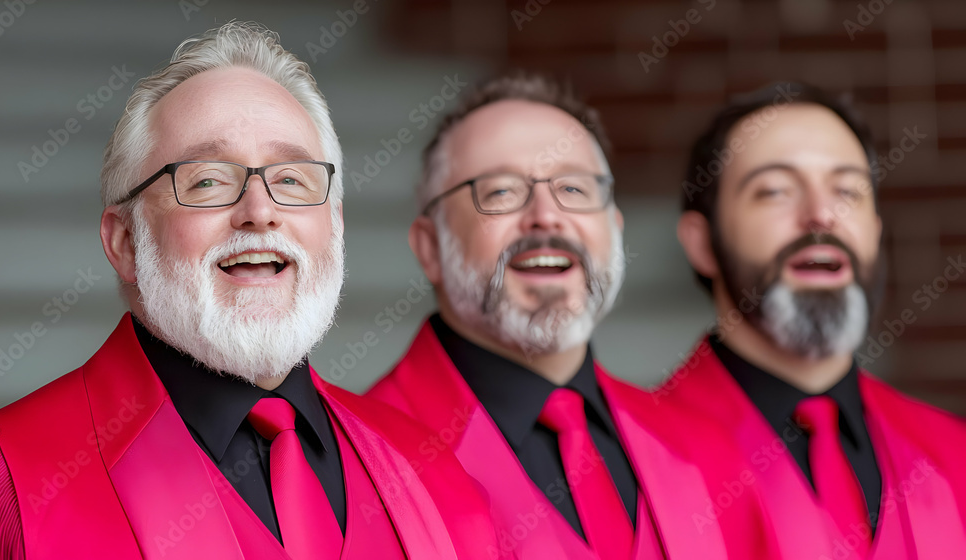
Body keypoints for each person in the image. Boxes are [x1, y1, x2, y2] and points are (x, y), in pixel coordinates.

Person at [0, 22, 502, 560]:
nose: (260, 212)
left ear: (335, 225)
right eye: (207, 181)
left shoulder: (432, 471)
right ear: (126, 242)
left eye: (292, 180)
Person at [367, 75, 767, 559]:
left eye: (574, 188)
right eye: (500, 192)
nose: (547, 215)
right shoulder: (368, 464)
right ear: (430, 248)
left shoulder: (704, 447)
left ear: (614, 229)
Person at [664, 82, 966, 559]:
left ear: (875, 230)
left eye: (847, 189)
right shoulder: (638, 457)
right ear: (702, 242)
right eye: (775, 191)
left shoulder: (955, 454)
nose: (821, 215)